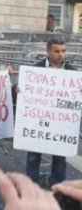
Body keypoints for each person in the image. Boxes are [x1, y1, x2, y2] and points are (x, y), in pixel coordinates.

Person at [26, 39, 76, 186]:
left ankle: (58, 187)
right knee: (33, 156)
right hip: (38, 121)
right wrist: (18, 90)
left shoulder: (72, 72)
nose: (61, 54)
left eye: (63, 51)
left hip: (61, 123)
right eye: (57, 51)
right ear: (48, 52)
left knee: (60, 158)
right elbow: (24, 90)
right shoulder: (36, 69)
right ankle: (31, 185)